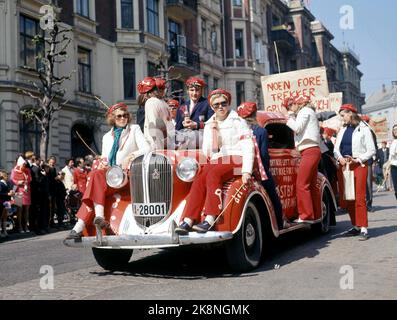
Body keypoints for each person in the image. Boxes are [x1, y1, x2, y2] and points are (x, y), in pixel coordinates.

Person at [65, 103, 151, 240]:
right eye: (119, 116)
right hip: (111, 176)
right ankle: (97, 218)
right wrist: (103, 162)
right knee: (95, 174)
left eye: (125, 116)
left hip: (127, 175)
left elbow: (147, 149)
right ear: (112, 118)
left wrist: (131, 156)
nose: (123, 118)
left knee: (94, 181)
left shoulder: (134, 129)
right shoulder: (106, 137)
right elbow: (105, 157)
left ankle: (79, 226)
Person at [175, 89, 254, 234]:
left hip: (237, 157)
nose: (220, 107)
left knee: (214, 175)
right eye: (216, 105)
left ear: (228, 103)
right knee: (199, 177)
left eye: (223, 103)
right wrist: (213, 133)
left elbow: (248, 146)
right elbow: (207, 152)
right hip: (219, 159)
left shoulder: (238, 121)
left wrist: (246, 171)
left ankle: (210, 218)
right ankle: (188, 220)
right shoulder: (209, 124)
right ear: (212, 107)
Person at [237, 102, 285, 230]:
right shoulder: (261, 131)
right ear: (254, 114)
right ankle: (279, 224)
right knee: (273, 196)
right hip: (259, 169)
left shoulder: (237, 130)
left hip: (242, 170)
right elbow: (263, 155)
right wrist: (264, 170)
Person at [334, 104, 376, 241]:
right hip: (344, 166)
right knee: (348, 198)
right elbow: (336, 149)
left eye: (343, 115)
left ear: (350, 113)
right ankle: (356, 226)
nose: (341, 119)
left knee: (359, 197)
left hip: (358, 165)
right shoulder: (342, 130)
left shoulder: (364, 129)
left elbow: (371, 150)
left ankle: (363, 228)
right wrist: (340, 158)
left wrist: (357, 159)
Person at [279, 95, 321, 223]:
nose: (291, 108)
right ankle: (316, 214)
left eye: (291, 105)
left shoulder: (305, 111)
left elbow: (297, 128)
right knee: (312, 185)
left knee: (302, 184)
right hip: (311, 150)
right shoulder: (308, 111)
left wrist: (287, 115)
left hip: (309, 150)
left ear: (299, 104)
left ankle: (306, 215)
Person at [138, 77, 175, 150]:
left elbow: (154, 125)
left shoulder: (151, 102)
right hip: (167, 144)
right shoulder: (163, 102)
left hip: (156, 146)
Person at [10, 155, 32, 233]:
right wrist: (18, 182)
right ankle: (20, 227)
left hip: (26, 191)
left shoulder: (27, 170)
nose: (24, 166)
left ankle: (26, 226)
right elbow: (12, 179)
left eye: (24, 164)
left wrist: (25, 182)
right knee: (19, 210)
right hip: (18, 191)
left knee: (26, 210)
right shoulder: (14, 170)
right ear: (19, 164)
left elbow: (30, 178)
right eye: (23, 164)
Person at [0, 170, 15, 238]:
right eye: (6, 175)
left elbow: (11, 189)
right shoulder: (0, 183)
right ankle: (1, 231)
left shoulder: (7, 183)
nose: (7, 176)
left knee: (6, 216)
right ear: (2, 176)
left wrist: (11, 192)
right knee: (1, 216)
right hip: (2, 201)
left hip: (7, 201)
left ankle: (5, 230)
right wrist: (7, 194)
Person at [389, 124, 397, 200]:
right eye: (394, 130)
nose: (395, 131)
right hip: (393, 166)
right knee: (396, 189)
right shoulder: (393, 142)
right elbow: (390, 156)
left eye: (396, 129)